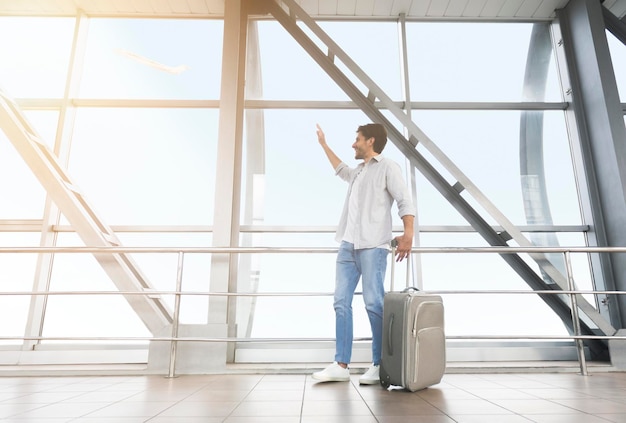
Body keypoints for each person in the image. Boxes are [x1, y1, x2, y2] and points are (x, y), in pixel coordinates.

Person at [312, 122, 416, 385]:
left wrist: (408, 234)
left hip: (373, 245)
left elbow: (404, 199)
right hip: (348, 245)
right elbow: (340, 169)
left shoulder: (388, 167)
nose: (353, 144)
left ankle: (380, 364)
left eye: (357, 139)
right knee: (340, 303)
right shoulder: (357, 172)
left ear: (370, 141)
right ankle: (341, 364)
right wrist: (324, 145)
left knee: (374, 304)